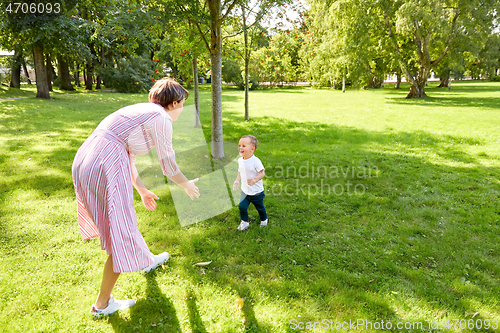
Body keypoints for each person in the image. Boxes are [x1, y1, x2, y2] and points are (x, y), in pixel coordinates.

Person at [72, 78, 200, 317]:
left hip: (86, 159)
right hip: (104, 164)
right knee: (120, 231)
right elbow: (168, 165)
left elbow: (126, 152)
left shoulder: (141, 111)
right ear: (173, 104)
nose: (182, 109)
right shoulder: (161, 117)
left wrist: (141, 190)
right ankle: (102, 305)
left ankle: (146, 260)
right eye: (183, 104)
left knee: (122, 224)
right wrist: (186, 185)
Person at [232, 135, 268, 231]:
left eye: (244, 146)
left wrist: (255, 180)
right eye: (239, 145)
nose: (240, 148)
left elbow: (262, 173)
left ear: (252, 149)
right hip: (245, 191)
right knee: (242, 207)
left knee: (260, 208)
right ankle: (244, 222)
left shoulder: (255, 161)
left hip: (256, 191)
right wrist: (236, 181)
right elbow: (240, 171)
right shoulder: (240, 160)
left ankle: (264, 219)